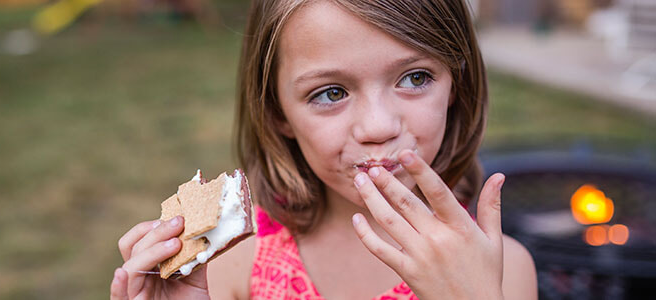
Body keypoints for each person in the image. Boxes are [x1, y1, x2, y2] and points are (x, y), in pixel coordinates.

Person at [110, 0, 538, 299]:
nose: (377, 127)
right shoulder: (238, 260)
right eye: (331, 92)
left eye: (415, 78)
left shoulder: (499, 271)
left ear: (456, 85)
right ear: (277, 113)